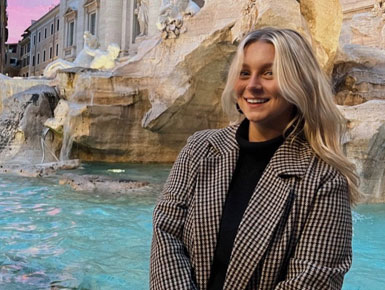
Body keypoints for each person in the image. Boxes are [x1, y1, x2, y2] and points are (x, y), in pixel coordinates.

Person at [150, 27, 359, 290]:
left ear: (299, 82)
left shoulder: (324, 180)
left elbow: (313, 280)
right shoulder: (199, 148)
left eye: (269, 73)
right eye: (245, 73)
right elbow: (166, 232)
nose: (253, 85)